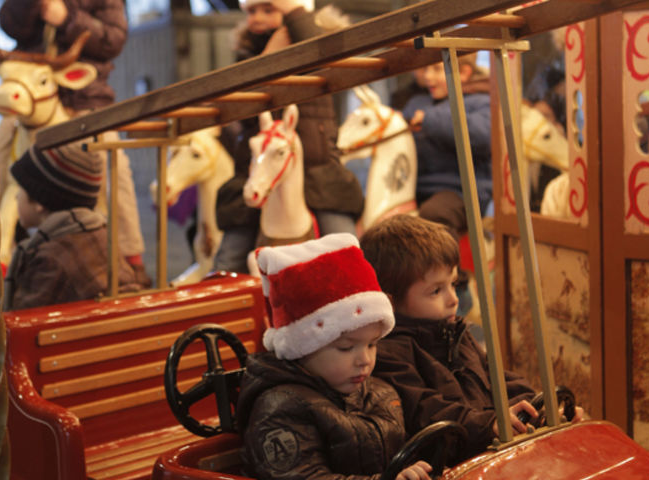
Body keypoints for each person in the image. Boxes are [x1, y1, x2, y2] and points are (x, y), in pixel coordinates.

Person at [360, 215, 584, 463]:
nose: (453, 299)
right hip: (451, 461)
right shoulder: (387, 352)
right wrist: (490, 424)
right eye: (436, 291)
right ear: (390, 302)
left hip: (490, 452)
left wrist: (538, 409)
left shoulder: (454, 332)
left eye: (453, 284)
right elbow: (425, 410)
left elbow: (496, 379)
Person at [236, 233, 433, 480]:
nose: (365, 359)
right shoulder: (281, 408)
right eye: (346, 348)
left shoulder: (379, 393)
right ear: (304, 347)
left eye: (371, 345)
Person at [0, 0, 149, 285]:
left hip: (83, 98)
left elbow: (113, 39)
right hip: (35, 96)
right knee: (2, 151)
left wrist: (68, 18)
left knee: (114, 173)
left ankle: (131, 258)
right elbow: (8, 23)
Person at [213, 0, 364, 273]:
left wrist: (294, 16)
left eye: (269, 9)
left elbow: (317, 51)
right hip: (261, 170)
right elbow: (243, 107)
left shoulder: (317, 42)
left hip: (316, 171)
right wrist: (270, 55)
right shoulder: (248, 54)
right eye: (251, 11)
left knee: (346, 248)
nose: (257, 17)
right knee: (230, 256)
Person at [3, 142, 140, 311]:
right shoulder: (102, 234)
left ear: (38, 200)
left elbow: (19, 324)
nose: (16, 197)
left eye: (20, 189)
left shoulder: (50, 260)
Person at [403, 54, 492, 242]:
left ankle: (447, 269)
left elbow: (482, 136)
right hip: (417, 188)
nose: (428, 76)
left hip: (460, 191)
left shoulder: (479, 102)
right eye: (426, 69)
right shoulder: (417, 103)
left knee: (435, 214)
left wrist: (429, 120)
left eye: (436, 69)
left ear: (464, 73)